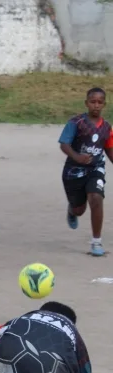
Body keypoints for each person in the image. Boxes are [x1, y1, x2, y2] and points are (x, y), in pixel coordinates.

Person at [59, 87, 113, 256]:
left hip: (95, 169)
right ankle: (72, 210)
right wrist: (77, 156)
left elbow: (109, 150)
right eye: (92, 102)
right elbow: (64, 144)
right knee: (79, 210)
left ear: (104, 104)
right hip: (73, 172)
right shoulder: (76, 123)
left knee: (96, 198)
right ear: (86, 103)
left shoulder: (106, 127)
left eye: (100, 102)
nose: (96, 105)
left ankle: (96, 242)